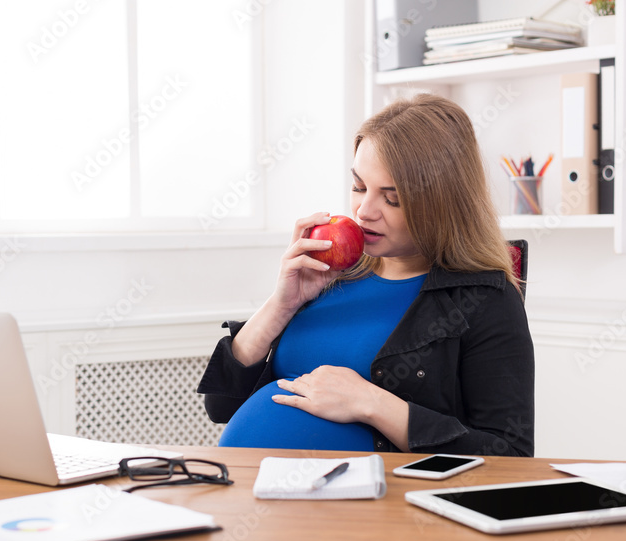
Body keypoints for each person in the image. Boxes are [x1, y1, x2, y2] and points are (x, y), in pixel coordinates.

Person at [197, 93, 534, 457]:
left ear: (442, 203)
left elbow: (509, 454)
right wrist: (281, 305)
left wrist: (371, 402)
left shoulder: (484, 297)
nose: (364, 211)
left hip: (367, 507)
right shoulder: (330, 274)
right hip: (246, 492)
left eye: (392, 198)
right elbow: (221, 405)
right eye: (359, 187)